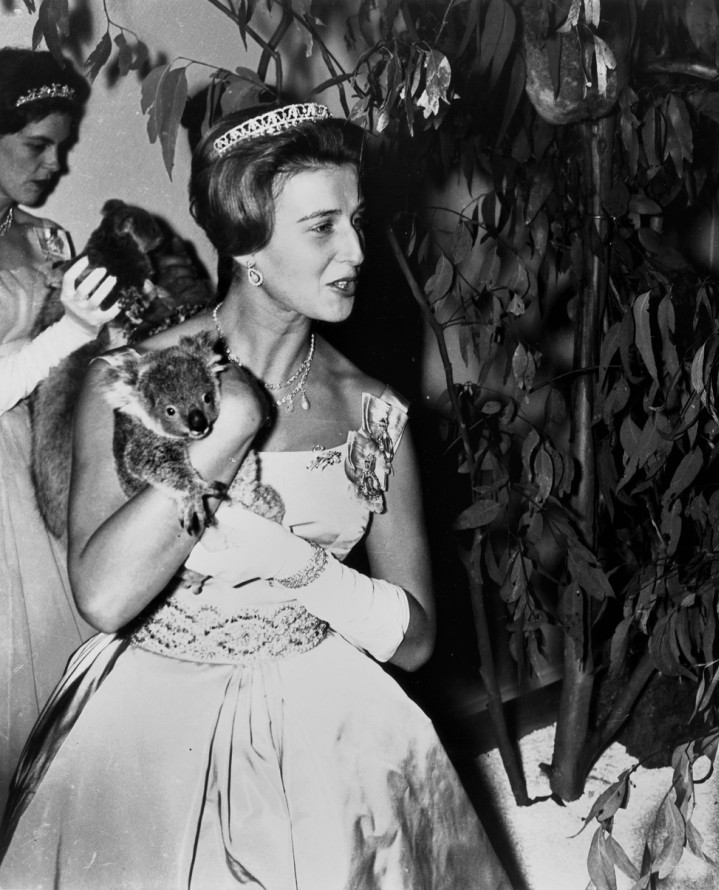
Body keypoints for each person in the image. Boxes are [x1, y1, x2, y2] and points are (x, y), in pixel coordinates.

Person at [0, 103, 511, 888]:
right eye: (322, 226)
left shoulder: (371, 407)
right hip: (151, 733)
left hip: (327, 737)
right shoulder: (130, 378)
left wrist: (304, 568)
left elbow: (414, 641)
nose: (357, 251)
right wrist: (227, 428)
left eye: (358, 221)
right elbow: (101, 596)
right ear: (248, 245)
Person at [0, 47, 119, 820]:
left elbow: (70, 378)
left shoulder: (46, 241)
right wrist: (66, 332)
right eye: (35, 146)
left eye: (62, 147)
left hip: (40, 473)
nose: (53, 164)